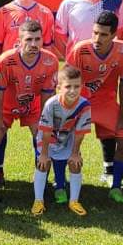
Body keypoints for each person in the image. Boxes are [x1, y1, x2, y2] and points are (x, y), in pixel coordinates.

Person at [0, 0, 58, 185]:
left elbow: (49, 49)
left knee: (40, 131)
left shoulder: (45, 13)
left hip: (34, 84)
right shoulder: (4, 12)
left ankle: (41, 177)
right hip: (7, 81)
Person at [65, 11, 123, 203]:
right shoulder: (80, 49)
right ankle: (64, 184)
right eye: (95, 33)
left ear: (114, 35)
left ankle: (116, 187)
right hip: (80, 102)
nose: (97, 38)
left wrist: (122, 115)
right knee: (67, 139)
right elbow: (67, 81)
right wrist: (68, 111)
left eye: (103, 34)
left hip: (106, 102)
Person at [35, 66, 92, 217]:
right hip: (47, 141)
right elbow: (46, 131)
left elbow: (80, 133)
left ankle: (74, 201)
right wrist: (44, 154)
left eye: (77, 86)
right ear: (59, 88)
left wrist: (75, 153)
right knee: (43, 163)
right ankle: (38, 200)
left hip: (67, 140)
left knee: (75, 163)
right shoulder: (51, 104)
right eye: (68, 87)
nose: (73, 91)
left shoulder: (84, 105)